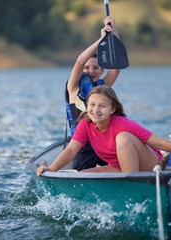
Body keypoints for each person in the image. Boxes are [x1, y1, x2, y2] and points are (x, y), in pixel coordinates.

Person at [38, 85, 171, 176]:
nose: (95, 110)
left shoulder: (123, 124)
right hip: (119, 169)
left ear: (112, 109)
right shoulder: (86, 124)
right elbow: (70, 150)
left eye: (102, 106)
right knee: (82, 177)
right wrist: (52, 169)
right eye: (92, 105)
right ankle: (124, 182)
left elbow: (160, 143)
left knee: (123, 138)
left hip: (146, 164)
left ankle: (132, 183)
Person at [65, 16, 121, 171]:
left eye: (95, 68)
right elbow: (79, 62)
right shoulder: (74, 87)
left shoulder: (103, 86)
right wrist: (102, 39)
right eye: (87, 68)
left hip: (105, 139)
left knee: (116, 168)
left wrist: (113, 30)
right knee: (83, 172)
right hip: (83, 143)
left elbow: (116, 65)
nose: (91, 71)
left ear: (102, 70)